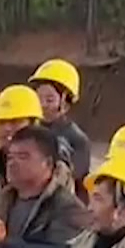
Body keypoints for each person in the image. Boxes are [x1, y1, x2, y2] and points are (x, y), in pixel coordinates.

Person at [29, 59, 91, 190]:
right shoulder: (28, 132)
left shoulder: (77, 140)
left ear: (66, 101)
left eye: (49, 99)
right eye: (38, 98)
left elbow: (76, 175)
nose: (42, 104)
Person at [0, 83, 44, 196]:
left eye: (15, 122)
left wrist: (0, 195)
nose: (7, 128)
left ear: (33, 124)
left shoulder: (50, 168)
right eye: (2, 123)